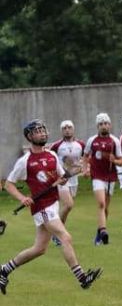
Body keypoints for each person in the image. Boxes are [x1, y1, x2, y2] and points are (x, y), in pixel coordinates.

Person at [0, 120, 102, 295]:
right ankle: (82, 278)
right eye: (37, 131)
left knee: (39, 248)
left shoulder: (51, 156)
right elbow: (9, 184)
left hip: (52, 204)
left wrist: (67, 175)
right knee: (65, 236)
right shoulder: (25, 161)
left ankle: (4, 270)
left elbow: (62, 177)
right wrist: (23, 197)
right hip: (42, 208)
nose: (42, 133)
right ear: (30, 136)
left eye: (43, 130)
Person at [83, 113, 121, 245]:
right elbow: (86, 156)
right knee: (101, 203)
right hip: (97, 176)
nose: (104, 126)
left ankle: (99, 233)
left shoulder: (115, 141)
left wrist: (115, 160)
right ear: (97, 126)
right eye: (101, 124)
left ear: (109, 125)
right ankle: (104, 230)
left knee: (105, 208)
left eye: (106, 123)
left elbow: (121, 160)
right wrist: (85, 168)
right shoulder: (92, 140)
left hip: (110, 177)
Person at [48, 120, 85, 245]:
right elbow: (48, 159)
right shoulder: (56, 145)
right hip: (62, 180)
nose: (67, 130)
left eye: (69, 127)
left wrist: (85, 168)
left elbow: (87, 159)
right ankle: (58, 233)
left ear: (73, 129)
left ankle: (55, 232)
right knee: (69, 205)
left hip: (74, 179)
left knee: (67, 207)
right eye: (64, 128)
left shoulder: (80, 144)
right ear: (61, 130)